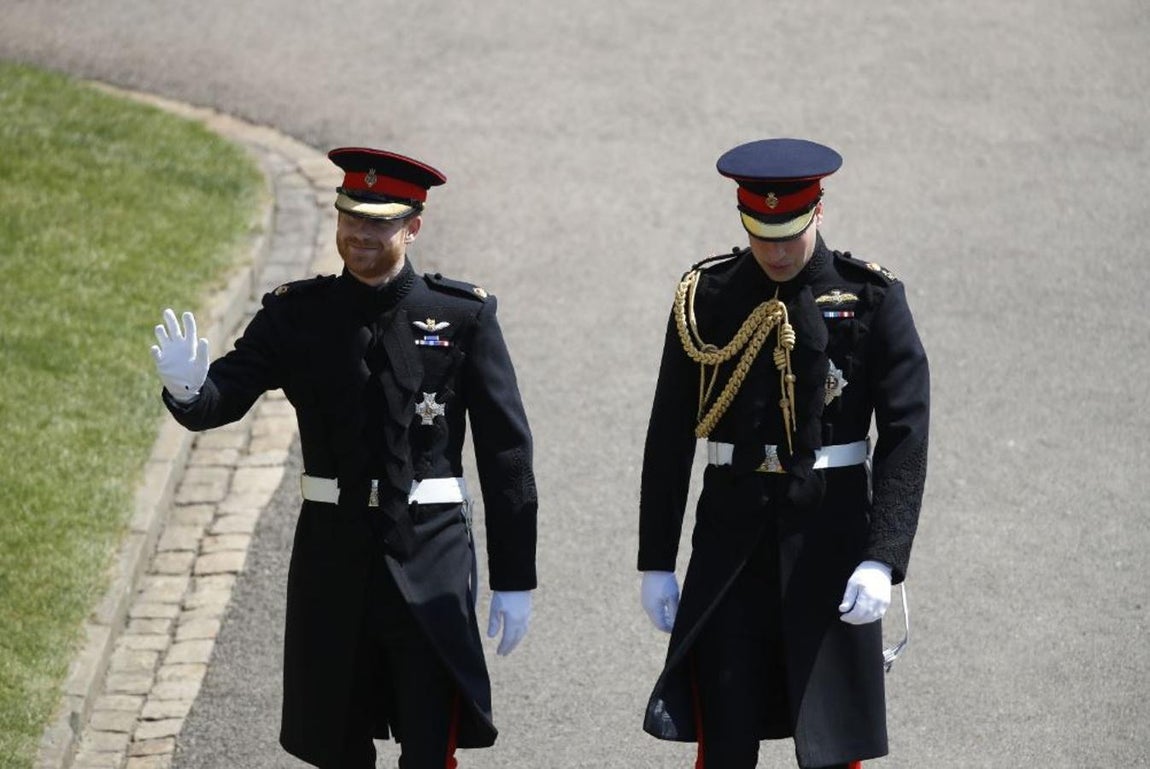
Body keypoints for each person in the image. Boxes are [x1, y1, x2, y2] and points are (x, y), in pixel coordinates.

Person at [150, 147, 538, 769]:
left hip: (429, 548)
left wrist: (515, 577)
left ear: (413, 226)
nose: (359, 234)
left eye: (379, 221)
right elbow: (225, 396)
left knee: (428, 736)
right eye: (350, 217)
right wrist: (188, 389)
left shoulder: (462, 315)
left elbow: (507, 452)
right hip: (333, 550)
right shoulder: (297, 314)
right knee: (334, 739)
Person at [637, 138, 929, 769]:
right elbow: (668, 434)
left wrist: (884, 558)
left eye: (788, 234)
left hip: (829, 541)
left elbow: (906, 436)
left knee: (830, 744)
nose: (775, 251)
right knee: (724, 739)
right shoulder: (706, 297)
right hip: (730, 547)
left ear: (817, 212)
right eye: (760, 233)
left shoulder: (872, 298)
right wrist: (655, 558)